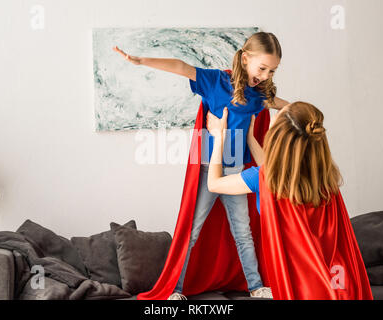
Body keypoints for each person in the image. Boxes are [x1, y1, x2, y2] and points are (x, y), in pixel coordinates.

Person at [114, 31, 289, 300]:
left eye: (272, 71)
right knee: (192, 231)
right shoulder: (215, 81)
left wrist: (307, 118)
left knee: (243, 233)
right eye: (262, 68)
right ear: (245, 59)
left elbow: (287, 107)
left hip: (237, 174)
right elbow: (182, 67)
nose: (266, 75)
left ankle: (256, 287)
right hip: (210, 169)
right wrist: (141, 61)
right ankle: (176, 289)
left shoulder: (257, 95)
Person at [205, 101, 374, 300]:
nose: (273, 116)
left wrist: (218, 137)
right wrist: (251, 138)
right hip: (338, 282)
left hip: (303, 288)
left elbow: (214, 184)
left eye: (278, 115)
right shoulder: (326, 180)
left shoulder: (263, 179)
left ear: (278, 137)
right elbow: (277, 170)